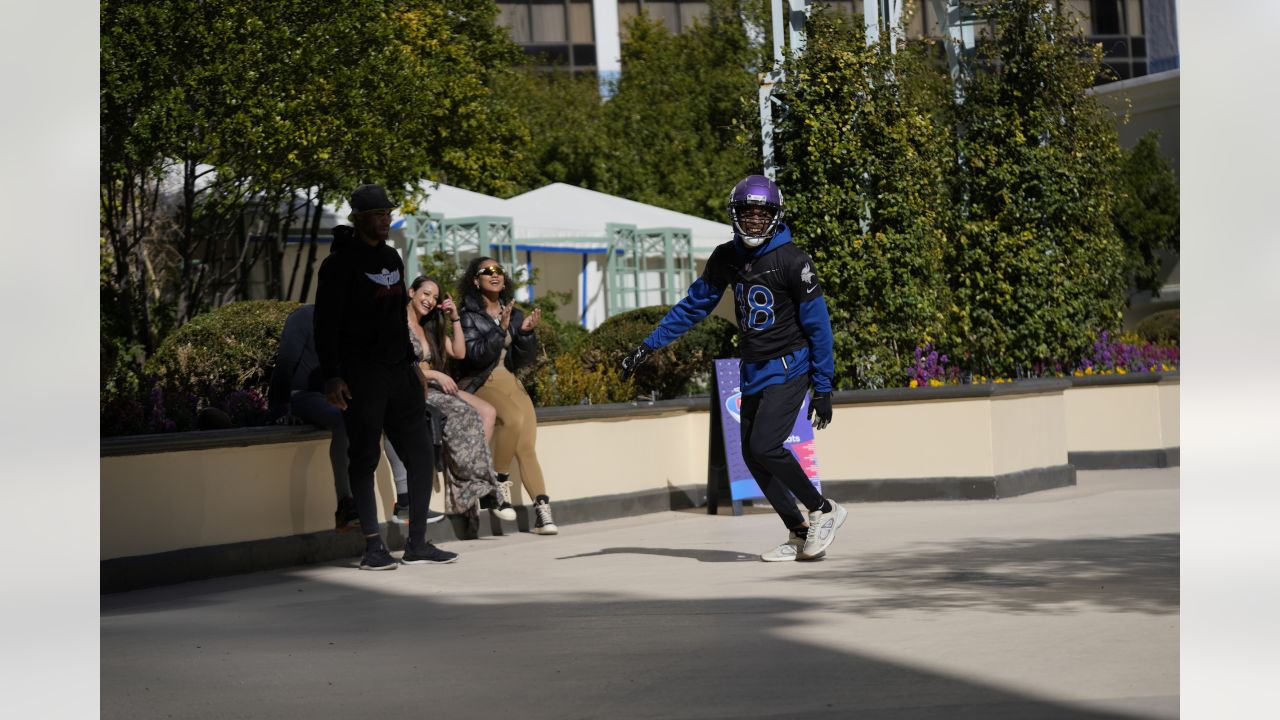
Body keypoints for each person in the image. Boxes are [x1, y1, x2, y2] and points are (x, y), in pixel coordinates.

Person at [620, 174, 845, 562]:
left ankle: (824, 509)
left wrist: (823, 387)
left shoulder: (793, 260)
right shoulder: (726, 257)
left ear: (775, 216)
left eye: (763, 213)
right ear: (735, 215)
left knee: (765, 445)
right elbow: (694, 306)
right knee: (752, 455)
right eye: (747, 213)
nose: (755, 221)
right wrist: (647, 346)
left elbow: (818, 326)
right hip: (753, 368)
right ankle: (799, 532)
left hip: (791, 366)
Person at [314, 183, 457, 569]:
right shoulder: (339, 264)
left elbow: (398, 318)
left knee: (421, 452)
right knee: (363, 457)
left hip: (399, 372)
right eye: (378, 214)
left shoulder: (393, 259)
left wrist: (414, 365)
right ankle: (373, 546)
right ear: (360, 219)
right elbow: (325, 325)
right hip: (361, 373)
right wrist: (332, 376)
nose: (386, 218)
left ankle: (418, 544)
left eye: (387, 212)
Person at [267, 304, 443, 532]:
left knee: (388, 415)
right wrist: (280, 409)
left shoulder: (356, 323)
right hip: (306, 394)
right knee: (343, 420)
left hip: (344, 393)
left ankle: (405, 501)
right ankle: (346, 504)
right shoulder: (304, 317)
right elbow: (286, 362)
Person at [383, 275, 516, 529]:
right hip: (415, 387)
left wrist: (454, 317)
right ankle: (480, 489)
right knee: (465, 415)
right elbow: (400, 364)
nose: (430, 300)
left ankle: (469, 481)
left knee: (487, 412)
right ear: (411, 293)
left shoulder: (429, 326)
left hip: (432, 385)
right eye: (425, 294)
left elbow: (459, 352)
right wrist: (433, 373)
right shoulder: (396, 323)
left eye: (434, 297)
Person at [452, 257, 559, 535]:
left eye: (498, 270)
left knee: (526, 445)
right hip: (482, 380)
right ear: (476, 281)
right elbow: (474, 356)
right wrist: (500, 329)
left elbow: (523, 360)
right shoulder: (468, 316)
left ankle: (542, 511)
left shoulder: (513, 311)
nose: (494, 274)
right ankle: (499, 483)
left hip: (510, 380)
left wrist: (525, 334)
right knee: (510, 418)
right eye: (486, 272)